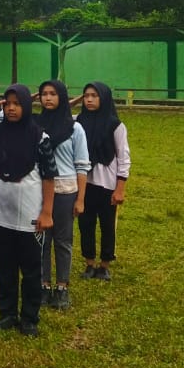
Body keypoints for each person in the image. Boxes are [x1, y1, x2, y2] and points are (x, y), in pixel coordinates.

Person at [0, 84, 56, 337]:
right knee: (4, 268)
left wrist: (47, 212)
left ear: (26, 105)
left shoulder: (40, 138)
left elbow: (49, 177)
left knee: (30, 270)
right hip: (1, 215)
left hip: (30, 216)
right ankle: (7, 313)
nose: (11, 108)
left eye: (16, 104)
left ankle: (29, 317)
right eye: (7, 104)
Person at [37, 80, 89, 309]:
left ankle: (62, 287)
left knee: (63, 240)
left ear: (62, 97)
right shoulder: (35, 126)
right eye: (43, 94)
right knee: (41, 240)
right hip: (38, 190)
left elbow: (82, 166)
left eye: (53, 94)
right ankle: (43, 284)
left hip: (66, 191)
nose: (47, 98)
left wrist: (80, 199)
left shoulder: (75, 128)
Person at [76, 81, 130, 282]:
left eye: (94, 96)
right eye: (86, 96)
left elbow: (123, 157)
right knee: (85, 224)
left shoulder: (115, 125)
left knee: (107, 226)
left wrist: (120, 188)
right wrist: (73, 102)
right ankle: (89, 263)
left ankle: (105, 265)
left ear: (104, 98)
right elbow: (59, 115)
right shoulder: (78, 121)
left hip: (107, 185)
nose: (89, 100)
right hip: (84, 184)